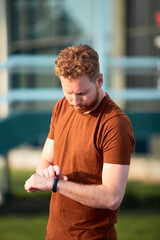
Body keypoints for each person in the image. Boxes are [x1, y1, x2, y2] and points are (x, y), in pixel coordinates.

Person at [25, 44, 135, 240]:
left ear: (99, 80)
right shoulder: (61, 107)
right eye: (68, 93)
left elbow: (112, 197)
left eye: (81, 93)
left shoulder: (114, 124)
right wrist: (47, 173)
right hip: (54, 234)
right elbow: (45, 160)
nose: (75, 101)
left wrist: (55, 184)